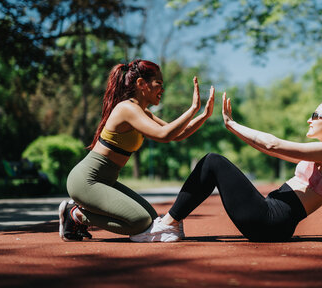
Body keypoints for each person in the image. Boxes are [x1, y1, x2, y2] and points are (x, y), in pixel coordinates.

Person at [130, 92, 322, 242]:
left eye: (315, 115)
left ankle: (169, 225)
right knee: (214, 162)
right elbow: (269, 148)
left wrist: (233, 125)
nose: (309, 119)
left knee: (212, 161)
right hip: (274, 221)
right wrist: (234, 129)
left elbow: (273, 144)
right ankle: (172, 223)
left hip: (270, 219)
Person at [59, 59, 215, 241]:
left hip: (105, 181)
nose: (162, 90)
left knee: (150, 218)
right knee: (139, 222)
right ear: (141, 84)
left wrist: (203, 115)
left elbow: (177, 134)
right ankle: (76, 214)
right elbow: (164, 135)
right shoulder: (127, 108)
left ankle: (78, 214)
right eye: (159, 84)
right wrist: (193, 109)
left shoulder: (142, 112)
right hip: (86, 180)